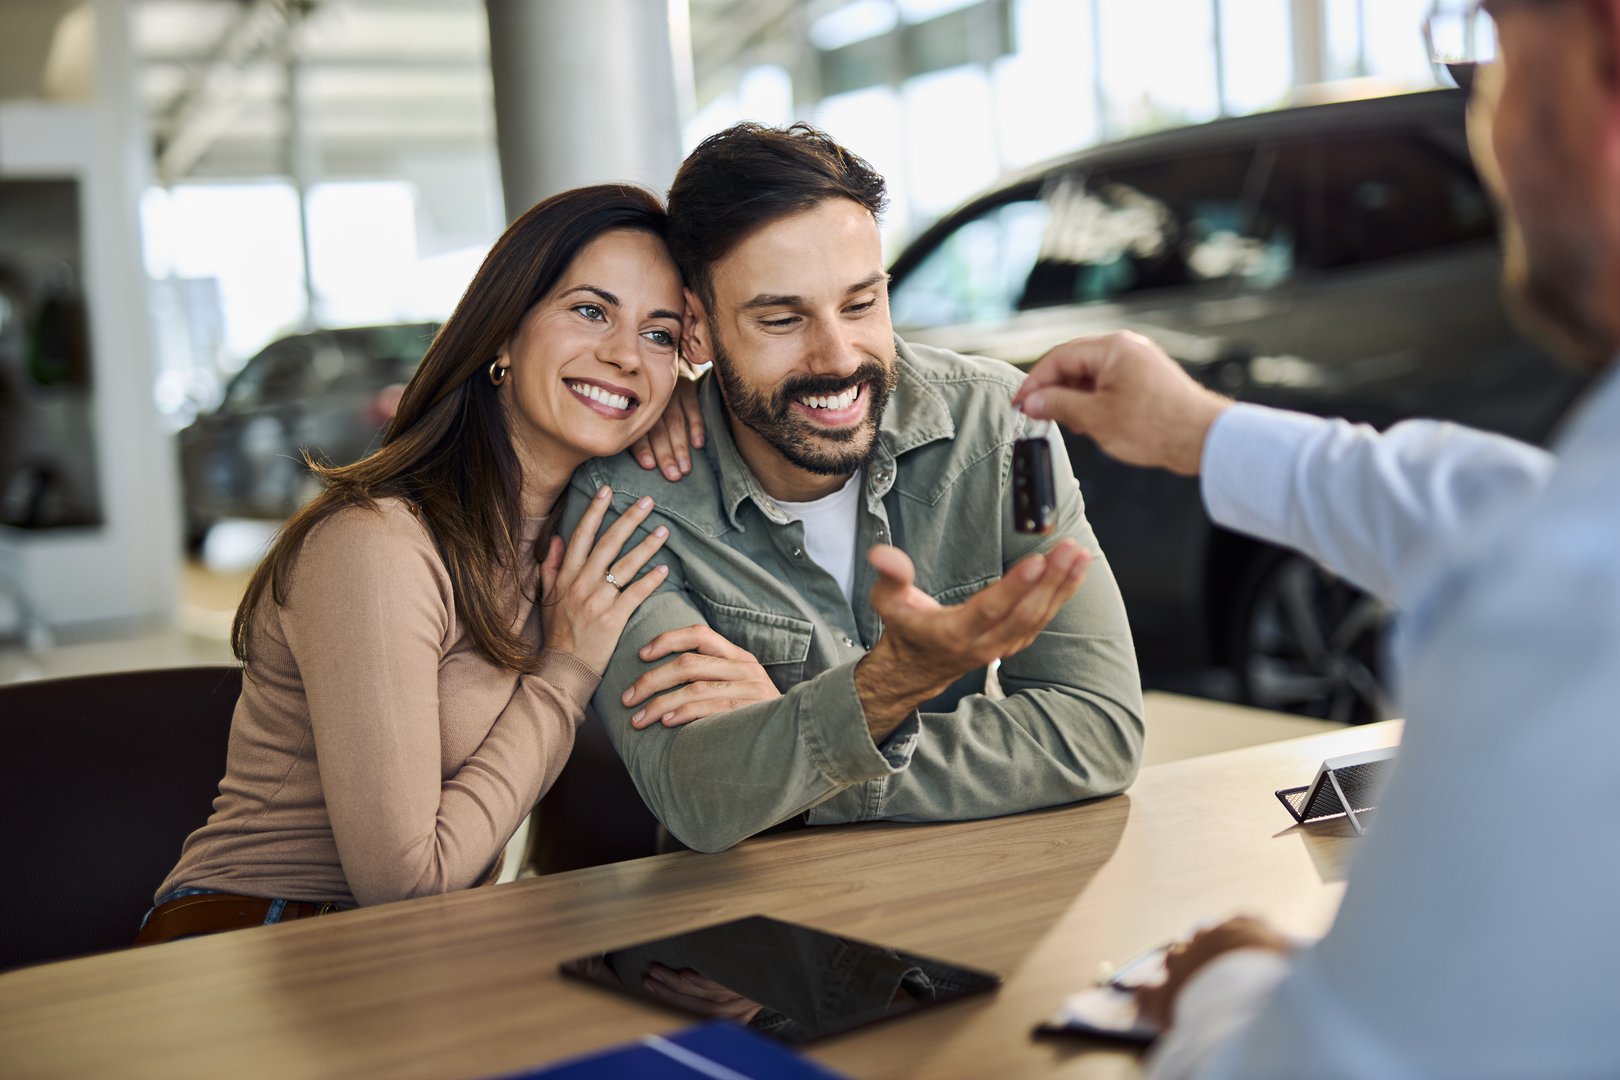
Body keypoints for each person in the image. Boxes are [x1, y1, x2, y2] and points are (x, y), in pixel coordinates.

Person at [1012, 0, 1620, 1074]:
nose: (1484, 108)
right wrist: (1202, 430)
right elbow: (1501, 510)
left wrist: (1229, 980)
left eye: (1490, 44)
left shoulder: (1568, 620)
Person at [140, 185, 713, 943]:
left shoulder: (573, 538)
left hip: (427, 948)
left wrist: (692, 406)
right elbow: (406, 883)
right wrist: (565, 673)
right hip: (258, 941)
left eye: (661, 335)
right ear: (503, 332)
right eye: (589, 310)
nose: (622, 353)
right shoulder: (378, 546)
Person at [558, 123, 1144, 855]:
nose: (837, 358)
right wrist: (889, 687)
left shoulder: (1005, 429)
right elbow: (699, 793)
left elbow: (1097, 729)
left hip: (962, 909)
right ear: (697, 333)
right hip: (751, 936)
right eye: (781, 318)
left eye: (861, 305)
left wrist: (805, 734)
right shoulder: (629, 502)